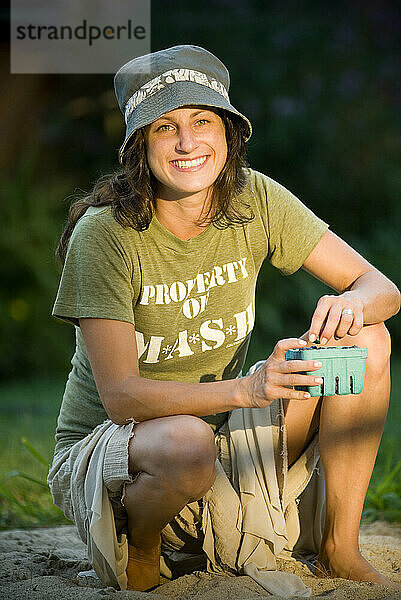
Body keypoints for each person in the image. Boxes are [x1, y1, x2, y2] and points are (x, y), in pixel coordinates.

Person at [47, 45, 400, 596]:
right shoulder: (106, 234)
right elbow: (120, 398)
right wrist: (251, 388)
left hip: (223, 436)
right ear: (139, 147)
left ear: (228, 132)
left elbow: (383, 288)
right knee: (188, 445)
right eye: (165, 127)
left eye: (202, 121)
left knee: (368, 342)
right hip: (123, 451)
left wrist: (352, 305)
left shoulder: (253, 197)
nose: (188, 143)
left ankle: (339, 548)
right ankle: (139, 543)